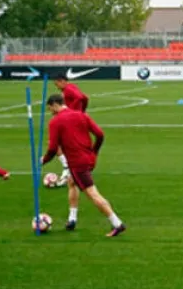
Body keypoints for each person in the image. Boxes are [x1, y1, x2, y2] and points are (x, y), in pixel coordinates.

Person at [40, 94, 127, 237]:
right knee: (71, 182)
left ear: (55, 105)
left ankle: (117, 223)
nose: (50, 112)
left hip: (77, 163)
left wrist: (43, 160)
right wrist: (94, 152)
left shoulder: (55, 122)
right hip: (89, 158)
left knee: (93, 194)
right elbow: (100, 134)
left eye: (50, 109)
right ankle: (72, 219)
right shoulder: (81, 115)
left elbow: (53, 148)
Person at [53, 73, 89, 186]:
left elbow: (79, 97)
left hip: (71, 121)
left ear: (62, 81)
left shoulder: (68, 89)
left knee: (55, 143)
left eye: (57, 84)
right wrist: (82, 111)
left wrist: (70, 111)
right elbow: (85, 98)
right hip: (77, 120)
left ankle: (67, 169)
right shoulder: (72, 86)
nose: (57, 87)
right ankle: (76, 171)